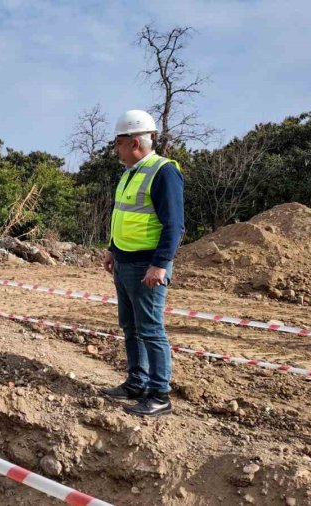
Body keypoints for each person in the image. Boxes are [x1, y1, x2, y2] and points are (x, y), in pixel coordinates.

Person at [101, 109, 184, 417]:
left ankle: (160, 394)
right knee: (131, 327)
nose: (116, 149)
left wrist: (160, 264)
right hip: (124, 261)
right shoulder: (130, 173)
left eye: (118, 143)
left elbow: (174, 224)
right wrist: (113, 249)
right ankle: (137, 382)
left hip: (147, 265)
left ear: (134, 142)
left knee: (150, 329)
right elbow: (123, 215)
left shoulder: (163, 172)